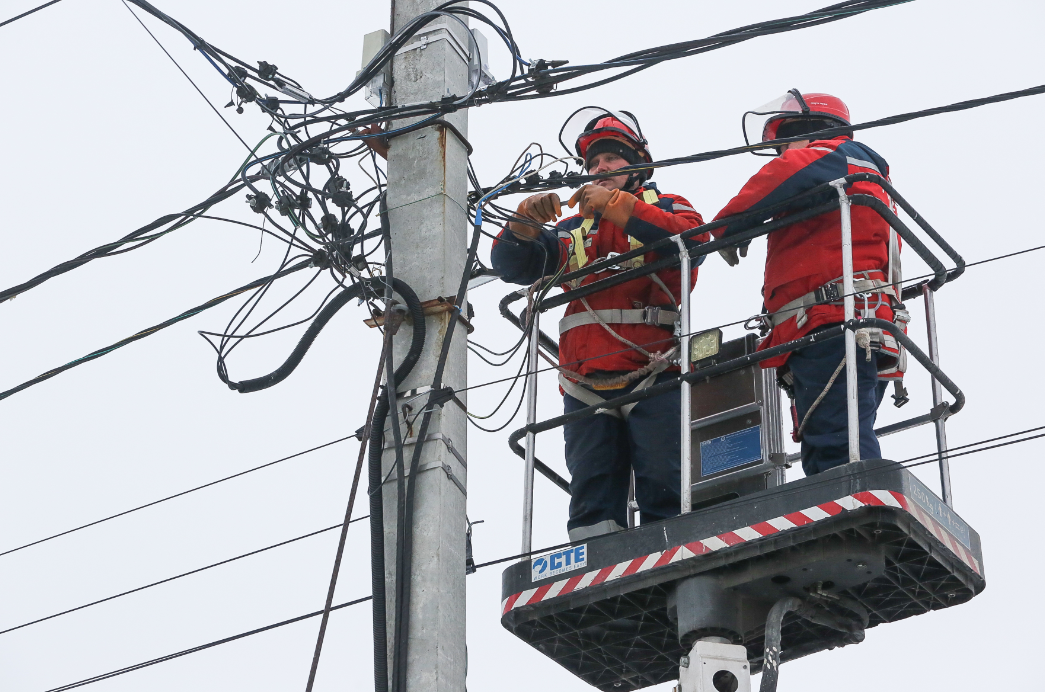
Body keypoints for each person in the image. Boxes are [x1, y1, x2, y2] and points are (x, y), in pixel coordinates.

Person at [491, 109, 707, 541]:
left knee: (664, 480)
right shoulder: (571, 228)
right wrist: (522, 225)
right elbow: (511, 266)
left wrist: (616, 206)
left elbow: (694, 241)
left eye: (611, 159)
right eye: (593, 163)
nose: (600, 168)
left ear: (638, 166)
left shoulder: (667, 206)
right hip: (583, 379)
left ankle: (671, 559)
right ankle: (597, 565)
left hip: (655, 368)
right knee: (591, 491)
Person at [712, 91, 907, 477]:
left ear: (811, 130)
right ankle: (845, 505)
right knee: (824, 441)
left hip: (835, 321)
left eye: (785, 142)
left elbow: (785, 172)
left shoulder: (841, 154)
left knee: (838, 440)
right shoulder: (835, 184)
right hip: (834, 323)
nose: (781, 153)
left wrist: (729, 225)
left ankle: (860, 503)